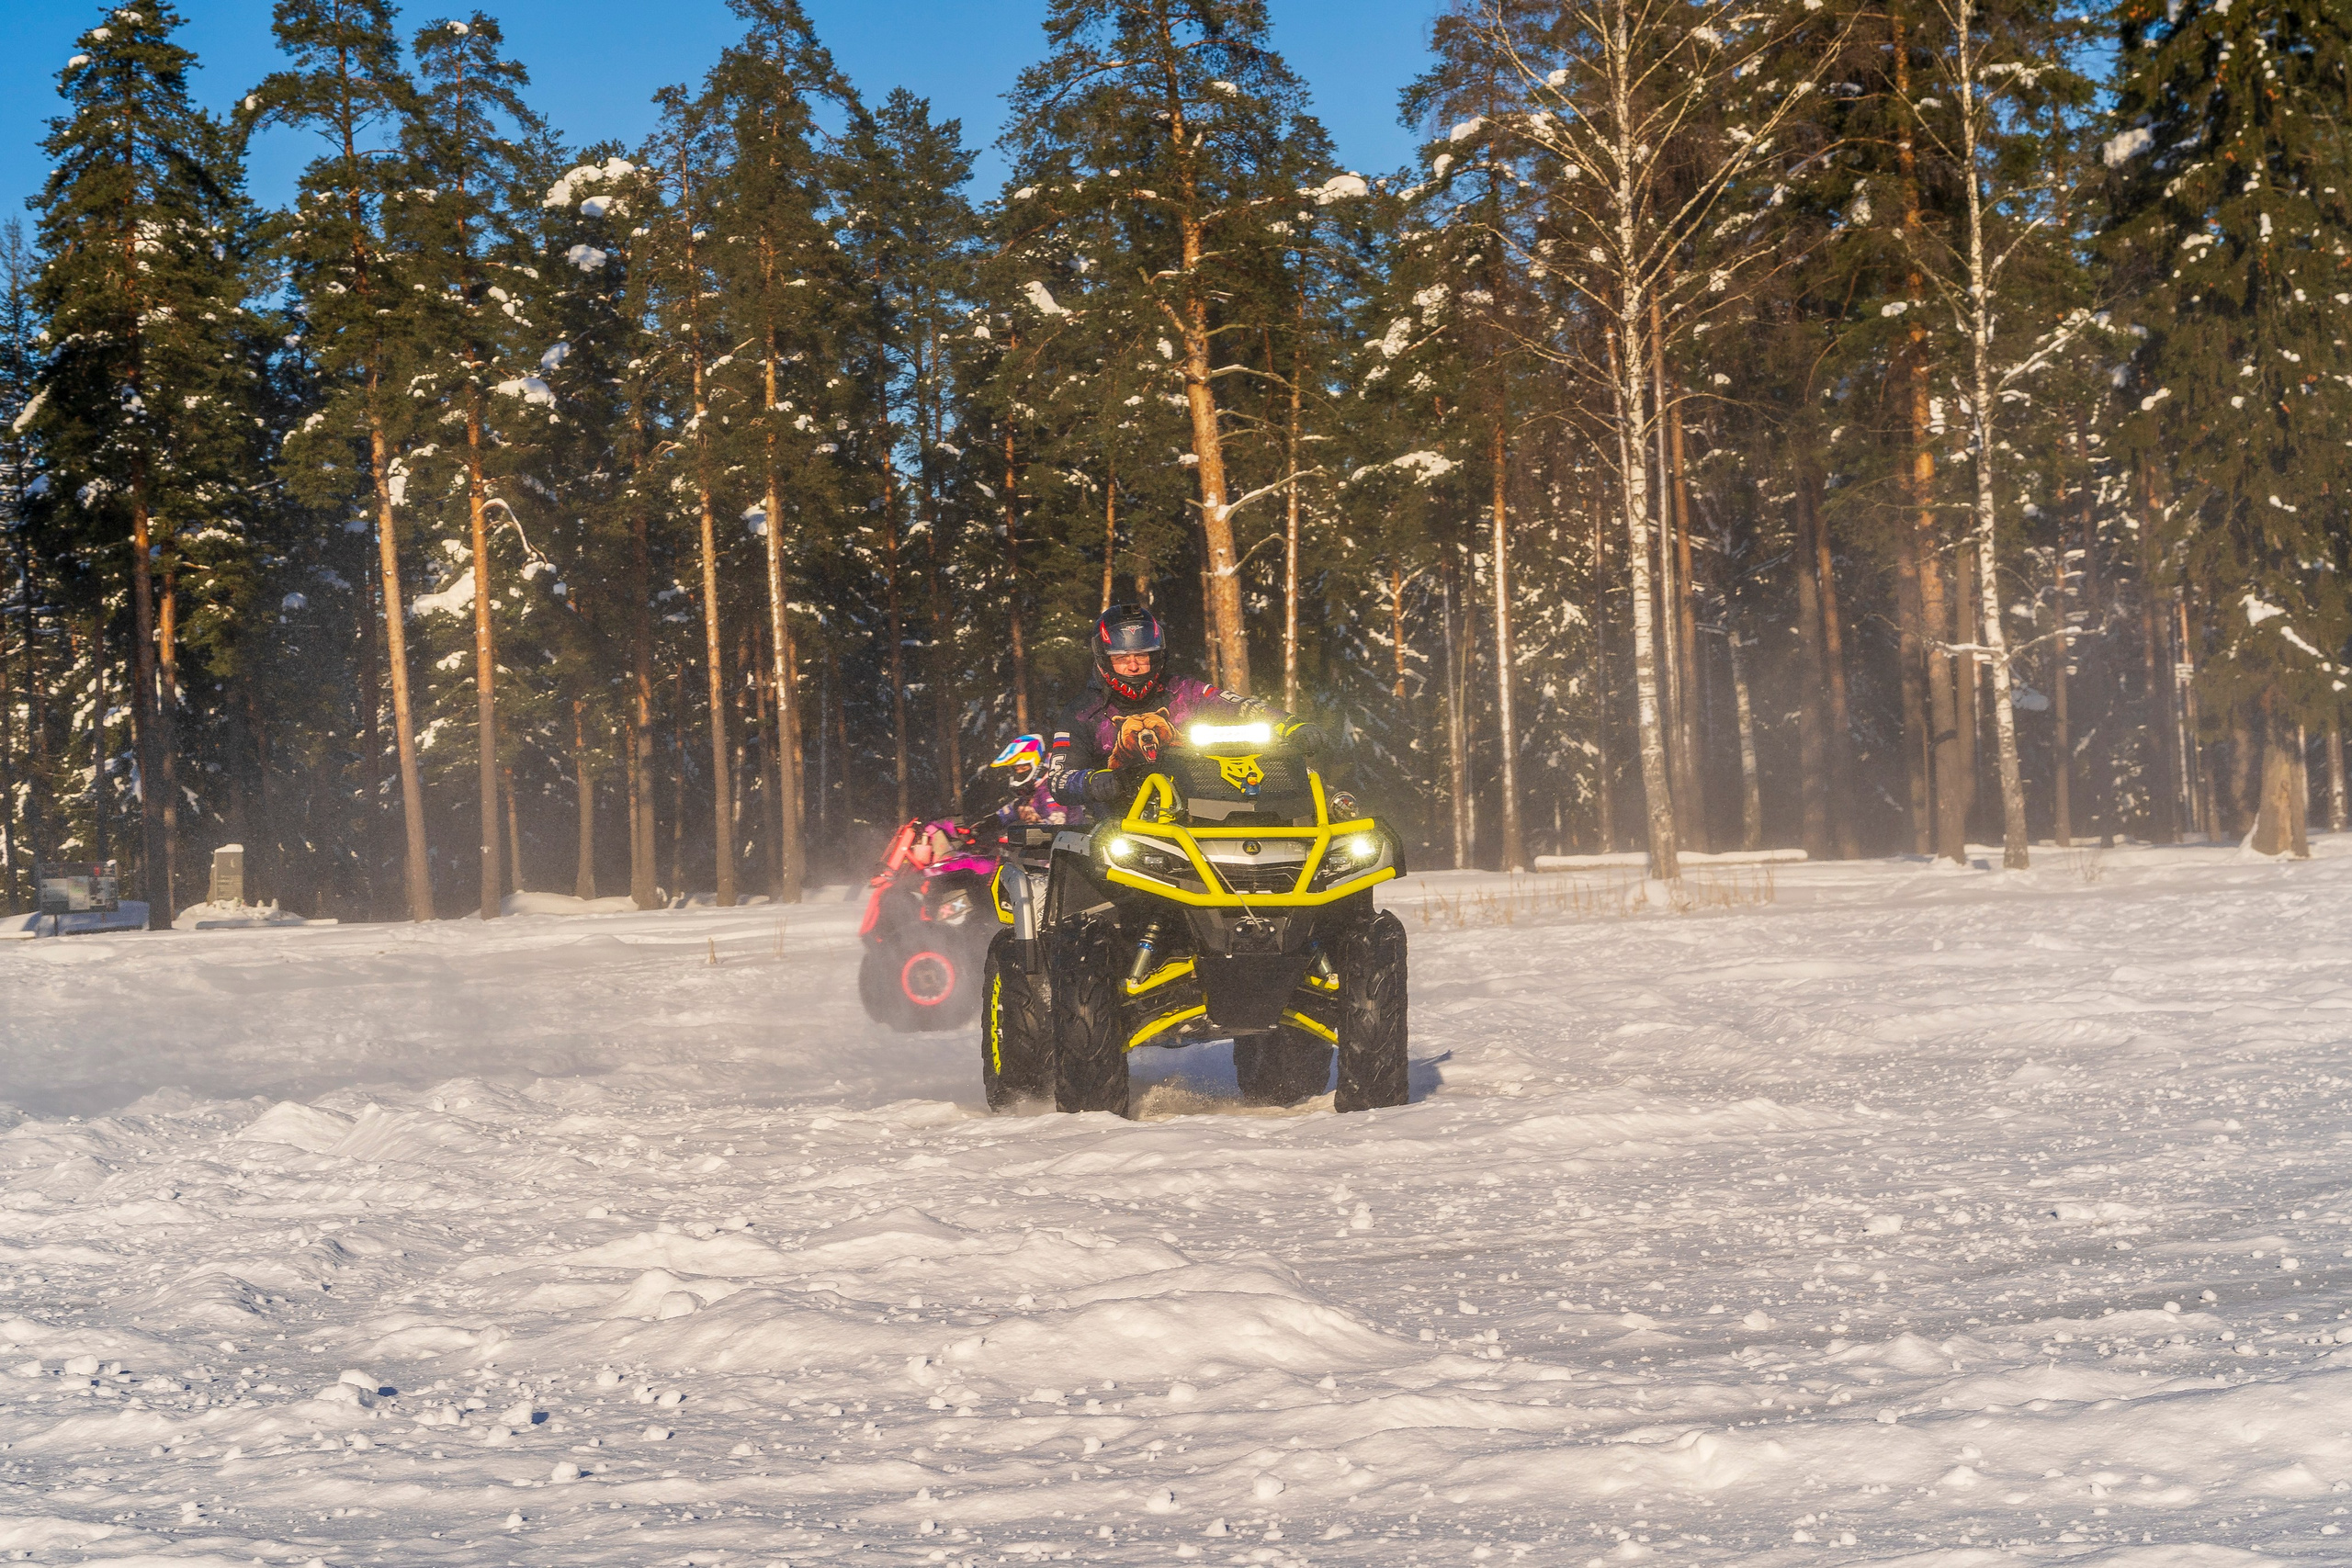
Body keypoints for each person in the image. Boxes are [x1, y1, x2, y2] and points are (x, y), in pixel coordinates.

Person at [1047, 603, 1317, 805]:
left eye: (1142, 656)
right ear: (1104, 659)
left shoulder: (1185, 691)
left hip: (1203, 810)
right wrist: (1093, 781)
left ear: (1157, 656)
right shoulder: (1082, 713)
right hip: (1121, 823)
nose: (1133, 666)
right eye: (1121, 658)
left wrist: (1289, 724)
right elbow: (1058, 780)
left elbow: (1238, 705)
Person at [984, 734, 1080, 826]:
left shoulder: (1051, 789)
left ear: (1038, 766)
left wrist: (1037, 824)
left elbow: (1057, 821)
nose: (1019, 772)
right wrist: (986, 825)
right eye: (1016, 769)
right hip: (1055, 835)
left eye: (1024, 768)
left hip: (1072, 835)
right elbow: (1009, 812)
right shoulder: (1033, 792)